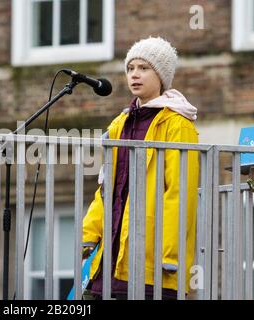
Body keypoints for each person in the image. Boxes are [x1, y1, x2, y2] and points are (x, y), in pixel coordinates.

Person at [82, 37, 199, 300]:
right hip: (110, 259)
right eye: (130, 68)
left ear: (161, 75)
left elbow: (181, 193)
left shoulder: (177, 124)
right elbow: (106, 187)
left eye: (144, 68)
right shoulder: (119, 123)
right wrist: (90, 231)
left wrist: (171, 254)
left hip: (153, 264)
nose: (135, 74)